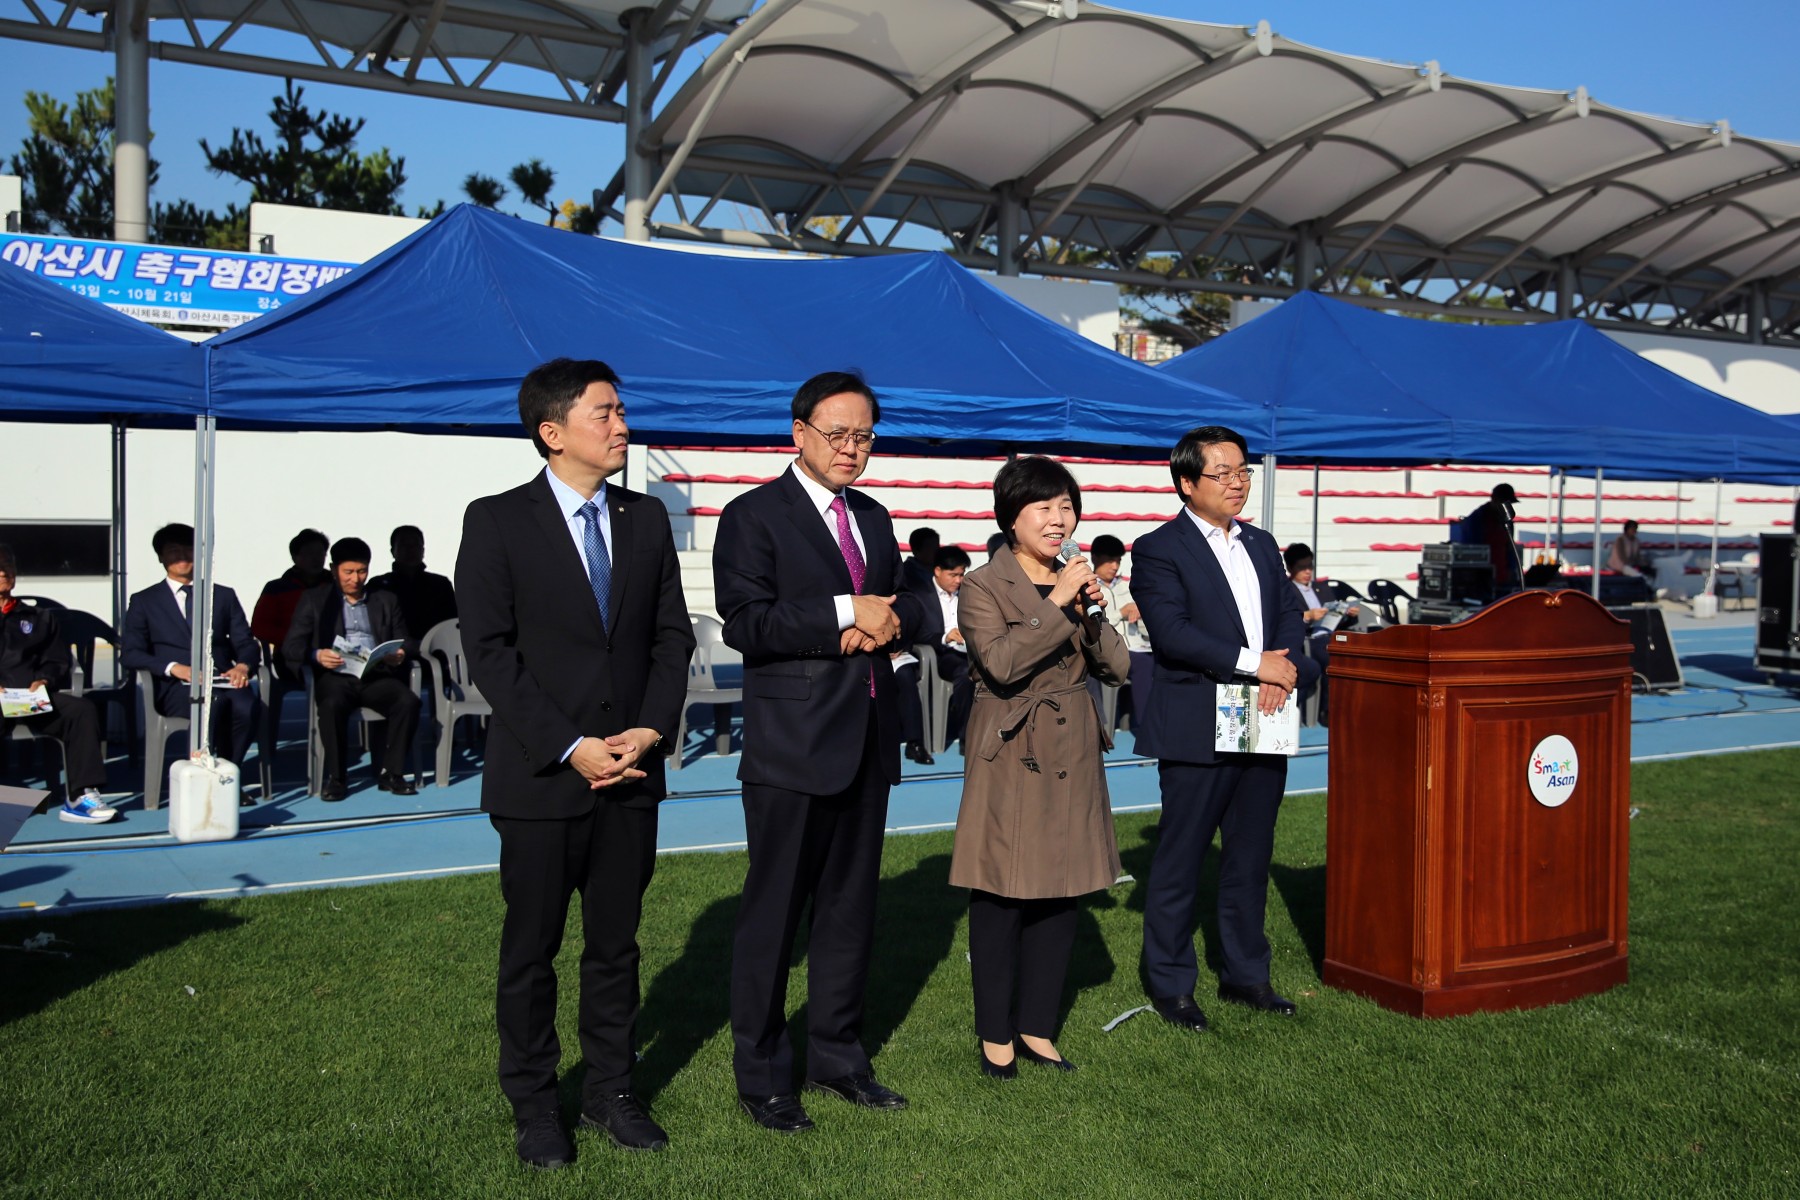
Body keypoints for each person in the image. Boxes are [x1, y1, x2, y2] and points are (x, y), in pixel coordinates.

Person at [456, 357, 695, 1170]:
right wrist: (570, 745)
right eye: (605, 413)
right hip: (541, 778)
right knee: (531, 949)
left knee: (616, 946)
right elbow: (490, 654)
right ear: (551, 432)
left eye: (621, 409)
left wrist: (650, 730)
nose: (622, 425)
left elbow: (673, 637)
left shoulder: (647, 519)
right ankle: (535, 1104)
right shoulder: (496, 521)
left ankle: (609, 1090)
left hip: (631, 772)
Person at [713, 370, 929, 1134]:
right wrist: (843, 611)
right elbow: (747, 621)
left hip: (868, 738)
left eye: (863, 435)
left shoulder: (872, 514)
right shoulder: (752, 516)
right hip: (793, 747)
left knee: (849, 913)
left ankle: (838, 1057)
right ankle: (764, 1077)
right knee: (774, 917)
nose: (850, 449)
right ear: (797, 432)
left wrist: (885, 618)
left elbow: (919, 602)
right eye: (836, 433)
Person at [1130, 425, 1318, 1030]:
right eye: (1224, 473)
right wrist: (1252, 663)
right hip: (1197, 721)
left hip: (1264, 716)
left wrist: (1280, 668)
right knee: (1182, 856)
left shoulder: (1262, 545)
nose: (1238, 483)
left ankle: (1246, 974)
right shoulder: (1159, 548)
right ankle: (1171, 982)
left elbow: (1289, 615)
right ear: (1187, 483)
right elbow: (1173, 632)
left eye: (1244, 472)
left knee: (1249, 853)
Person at [951, 456, 1128, 1078]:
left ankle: (1037, 1027)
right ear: (1011, 516)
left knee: (1062, 890)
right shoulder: (980, 585)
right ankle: (995, 1034)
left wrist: (1094, 609)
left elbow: (1117, 668)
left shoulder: (1075, 581)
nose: (1059, 520)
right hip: (1011, 747)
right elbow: (1000, 664)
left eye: (1066, 507)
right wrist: (1054, 604)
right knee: (1001, 890)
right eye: (1044, 508)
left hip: (1073, 745)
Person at [283, 537, 419, 801]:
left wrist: (400, 652)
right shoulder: (314, 600)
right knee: (332, 705)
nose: (355, 579)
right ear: (334, 570)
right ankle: (337, 777)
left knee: (408, 702)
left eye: (361, 571)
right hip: (336, 677)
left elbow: (409, 640)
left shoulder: (385, 599)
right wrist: (317, 654)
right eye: (348, 572)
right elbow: (290, 646)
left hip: (375, 675)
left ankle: (392, 773)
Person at [122, 523, 263, 773]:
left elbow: (246, 641)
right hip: (174, 687)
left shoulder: (222, 595)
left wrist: (243, 665)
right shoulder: (144, 601)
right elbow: (131, 653)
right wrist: (174, 669)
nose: (182, 556)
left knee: (247, 706)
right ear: (161, 557)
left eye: (189, 549)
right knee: (213, 704)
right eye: (174, 550)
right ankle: (205, 775)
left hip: (221, 678)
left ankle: (227, 773)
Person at [0, 545, 114, 823]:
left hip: (30, 699)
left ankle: (80, 796)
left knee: (81, 710)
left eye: (8, 567)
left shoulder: (38, 617)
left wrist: (45, 679)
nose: (4, 572)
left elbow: (56, 659)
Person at [1282, 542, 1355, 725]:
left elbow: (1334, 615)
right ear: (1290, 568)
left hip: (1330, 635)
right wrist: (1308, 616)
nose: (1307, 571)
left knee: (1353, 653)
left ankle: (1350, 705)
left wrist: (1346, 613)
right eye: (1302, 568)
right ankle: (1328, 710)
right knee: (1330, 657)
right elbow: (1285, 619)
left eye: (1310, 566)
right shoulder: (1286, 590)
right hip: (1309, 639)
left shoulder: (1322, 588)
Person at [1087, 534, 1152, 732]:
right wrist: (1121, 613)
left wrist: (1142, 615)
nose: (1114, 566)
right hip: (1108, 648)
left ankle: (1150, 723)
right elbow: (1092, 623)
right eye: (1109, 560)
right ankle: (1145, 726)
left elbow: (1144, 629)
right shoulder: (1088, 587)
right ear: (1095, 559)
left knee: (1157, 661)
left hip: (1137, 646)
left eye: (1118, 561)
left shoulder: (1127, 587)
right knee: (1144, 664)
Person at [913, 545, 973, 752]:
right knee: (966, 674)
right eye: (953, 575)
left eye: (962, 574)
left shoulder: (967, 593)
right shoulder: (920, 595)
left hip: (970, 650)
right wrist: (946, 637)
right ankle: (967, 738)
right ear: (937, 571)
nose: (958, 580)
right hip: (940, 653)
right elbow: (917, 634)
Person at [368, 525, 459, 641]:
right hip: (391, 653)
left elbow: (452, 622)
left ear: (423, 550)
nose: (410, 549)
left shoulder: (440, 584)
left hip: (437, 651)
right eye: (404, 545)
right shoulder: (379, 585)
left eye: (415, 545)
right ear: (392, 551)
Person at [250, 528, 331, 656]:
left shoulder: (336, 586)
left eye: (321, 553)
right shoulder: (276, 588)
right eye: (310, 553)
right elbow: (260, 628)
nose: (316, 559)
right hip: (291, 655)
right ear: (295, 557)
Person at [1462, 483, 1521, 589]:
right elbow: (1472, 552)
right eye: (1503, 503)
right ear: (1494, 499)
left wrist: (1512, 571)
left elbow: (1510, 548)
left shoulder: (1508, 521)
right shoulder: (1478, 518)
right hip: (1483, 582)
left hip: (1504, 580)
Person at [900, 526, 941, 594]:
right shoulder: (905, 573)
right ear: (916, 550)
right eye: (930, 547)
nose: (936, 551)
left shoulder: (942, 569)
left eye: (937, 546)